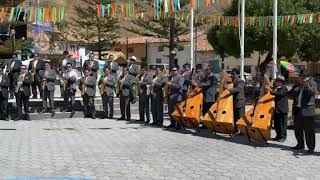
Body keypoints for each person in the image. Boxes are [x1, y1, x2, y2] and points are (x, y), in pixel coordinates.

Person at [289, 71, 317, 153]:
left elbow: (313, 93)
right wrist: (296, 84)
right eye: (300, 76)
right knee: (297, 129)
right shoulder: (298, 84)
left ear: (307, 76)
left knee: (309, 130)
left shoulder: (313, 83)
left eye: (303, 76)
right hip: (298, 110)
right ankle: (300, 144)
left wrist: (307, 86)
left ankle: (311, 148)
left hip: (308, 110)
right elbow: (290, 94)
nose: (301, 77)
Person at [266, 75, 288, 142]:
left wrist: (271, 90)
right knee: (277, 124)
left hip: (282, 109)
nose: (275, 82)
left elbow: (280, 94)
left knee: (283, 124)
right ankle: (278, 136)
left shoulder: (284, 88)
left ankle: (283, 137)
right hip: (277, 109)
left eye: (277, 81)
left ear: (281, 82)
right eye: (275, 81)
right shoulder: (277, 88)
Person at [225, 68, 245, 134]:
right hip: (234, 101)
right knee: (235, 116)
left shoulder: (241, 81)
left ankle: (242, 131)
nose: (232, 75)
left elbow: (238, 89)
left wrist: (229, 88)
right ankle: (236, 129)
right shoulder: (233, 81)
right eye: (231, 74)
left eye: (233, 74)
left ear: (237, 74)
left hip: (239, 101)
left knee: (240, 117)